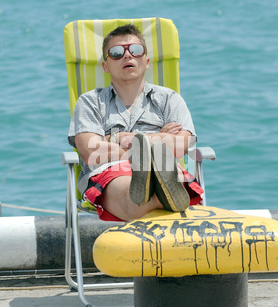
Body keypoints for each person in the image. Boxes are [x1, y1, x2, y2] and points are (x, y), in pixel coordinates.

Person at [68, 24, 203, 221]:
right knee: (132, 188)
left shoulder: (169, 99)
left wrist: (115, 140)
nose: (127, 56)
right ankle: (162, 196)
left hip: (163, 170)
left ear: (146, 61)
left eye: (136, 50)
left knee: (160, 171)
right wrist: (158, 138)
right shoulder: (90, 102)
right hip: (110, 174)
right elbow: (91, 153)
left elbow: (179, 146)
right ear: (105, 66)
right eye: (116, 53)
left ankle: (156, 187)